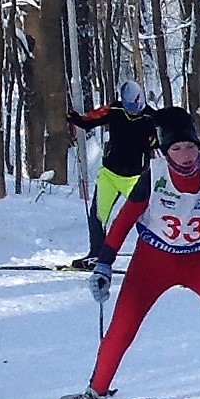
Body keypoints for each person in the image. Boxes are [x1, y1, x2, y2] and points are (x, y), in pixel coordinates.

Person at [52, 108, 200, 399]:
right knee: (123, 325)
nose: (186, 155)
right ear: (164, 151)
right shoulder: (154, 176)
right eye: (177, 148)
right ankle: (94, 392)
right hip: (152, 261)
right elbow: (124, 220)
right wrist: (104, 263)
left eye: (191, 147)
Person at [67, 80, 157, 269]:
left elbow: (164, 141)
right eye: (129, 106)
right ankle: (96, 255)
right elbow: (91, 119)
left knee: (149, 217)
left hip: (135, 177)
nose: (134, 109)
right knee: (98, 214)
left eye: (136, 105)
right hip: (110, 174)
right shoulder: (114, 110)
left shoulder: (151, 117)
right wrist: (76, 119)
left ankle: (159, 255)